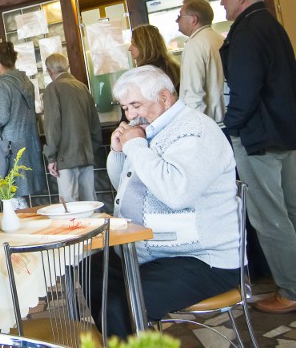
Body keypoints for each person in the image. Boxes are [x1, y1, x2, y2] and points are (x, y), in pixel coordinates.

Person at [90, 65, 240, 338]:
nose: (130, 115)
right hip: (154, 252)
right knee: (91, 268)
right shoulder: (154, 128)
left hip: (202, 259)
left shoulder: (194, 130)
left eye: (136, 105)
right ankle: (125, 336)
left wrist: (136, 145)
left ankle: (125, 328)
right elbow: (124, 186)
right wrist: (119, 151)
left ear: (164, 97)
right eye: (125, 108)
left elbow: (175, 192)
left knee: (121, 303)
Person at [220, 0, 296, 313]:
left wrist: (228, 129)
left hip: (258, 137)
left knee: (271, 218)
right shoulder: (272, 25)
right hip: (285, 133)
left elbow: (245, 92)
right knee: (293, 213)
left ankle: (294, 290)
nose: (222, 2)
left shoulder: (246, 32)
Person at [0, 41, 45, 204]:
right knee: (24, 193)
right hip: (30, 141)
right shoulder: (25, 80)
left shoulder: (3, 84)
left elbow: (2, 118)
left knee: (14, 196)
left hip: (12, 145)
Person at [42, 53, 101, 202]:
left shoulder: (53, 89)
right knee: (90, 204)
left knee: (70, 207)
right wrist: (90, 149)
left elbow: (53, 126)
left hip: (65, 157)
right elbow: (95, 124)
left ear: (49, 71)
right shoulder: (82, 87)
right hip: (86, 155)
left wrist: (51, 157)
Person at [177, 0, 226, 125]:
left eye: (180, 16)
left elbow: (194, 93)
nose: (177, 20)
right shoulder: (219, 38)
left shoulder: (194, 44)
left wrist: (194, 127)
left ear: (193, 19)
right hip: (226, 118)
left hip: (210, 123)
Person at [129, 24, 181, 92]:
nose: (129, 48)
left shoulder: (146, 73)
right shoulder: (172, 67)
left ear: (144, 46)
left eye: (133, 44)